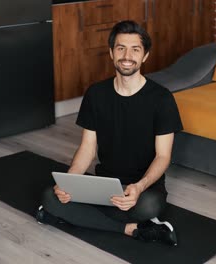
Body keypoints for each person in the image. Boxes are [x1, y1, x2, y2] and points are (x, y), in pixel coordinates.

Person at [36, 20, 183, 246]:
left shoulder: (162, 99)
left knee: (148, 206)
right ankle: (131, 229)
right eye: (120, 48)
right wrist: (71, 181)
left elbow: (163, 156)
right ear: (111, 53)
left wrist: (140, 186)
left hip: (143, 187)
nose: (127, 55)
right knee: (51, 196)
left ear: (145, 56)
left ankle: (69, 216)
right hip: (105, 183)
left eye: (135, 49)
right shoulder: (96, 94)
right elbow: (87, 148)